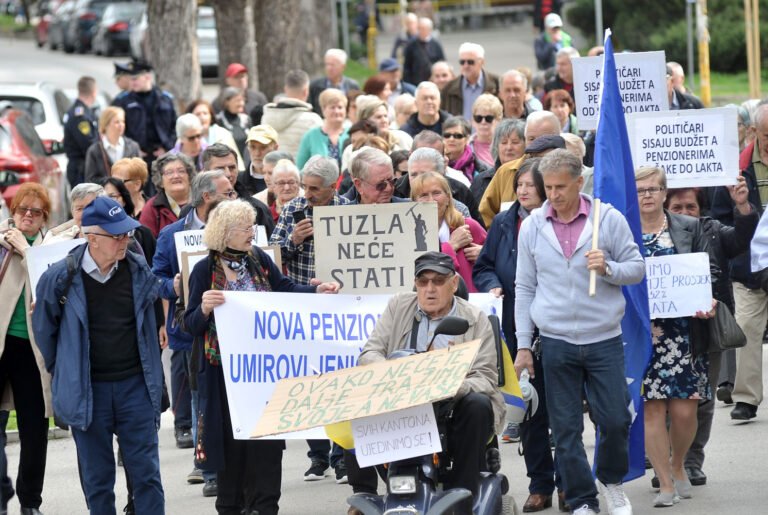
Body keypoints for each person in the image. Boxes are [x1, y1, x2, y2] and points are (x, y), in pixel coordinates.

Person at [184, 199, 339, 515]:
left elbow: (284, 290)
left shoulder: (259, 259)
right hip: (224, 376)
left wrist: (316, 291)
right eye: (245, 228)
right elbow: (189, 324)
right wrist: (203, 309)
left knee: (266, 445)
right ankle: (232, 505)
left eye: (252, 226)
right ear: (225, 232)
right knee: (232, 446)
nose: (251, 233)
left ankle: (266, 506)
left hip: (263, 374)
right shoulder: (204, 270)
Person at [514, 149, 644, 515]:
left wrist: (609, 269)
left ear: (579, 182)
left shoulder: (608, 219)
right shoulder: (533, 226)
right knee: (565, 430)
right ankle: (583, 499)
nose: (553, 194)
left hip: (604, 338)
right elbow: (524, 287)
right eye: (548, 187)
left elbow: (636, 268)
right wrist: (523, 345)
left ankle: (612, 482)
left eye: (561, 187)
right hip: (555, 340)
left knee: (616, 419)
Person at [33, 197, 165, 515]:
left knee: (147, 475)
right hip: (89, 392)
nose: (125, 240)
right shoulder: (59, 277)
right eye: (116, 235)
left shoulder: (138, 269)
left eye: (127, 233)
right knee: (98, 481)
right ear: (92, 238)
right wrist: (67, 372)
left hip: (136, 387)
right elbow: (45, 334)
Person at [347, 251, 505, 509]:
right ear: (415, 284)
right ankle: (371, 492)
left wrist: (454, 386)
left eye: (438, 281)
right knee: (353, 406)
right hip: (403, 397)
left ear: (453, 283)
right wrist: (390, 371)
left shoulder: (474, 318)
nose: (430, 289)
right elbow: (370, 352)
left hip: (452, 404)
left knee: (477, 404)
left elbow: (485, 377)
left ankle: (463, 498)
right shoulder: (399, 306)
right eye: (423, 282)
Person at [473, 158, 566, 512]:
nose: (523, 191)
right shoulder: (503, 221)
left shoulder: (556, 220)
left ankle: (569, 484)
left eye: (530, 185)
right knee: (529, 410)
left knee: (563, 410)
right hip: (516, 328)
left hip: (555, 326)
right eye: (520, 185)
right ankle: (540, 485)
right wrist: (493, 284)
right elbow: (484, 265)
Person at [664, 180, 757, 488]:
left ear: (701, 209)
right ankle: (667, 463)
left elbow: (742, 240)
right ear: (666, 208)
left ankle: (691, 462)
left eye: (691, 206)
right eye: (677, 207)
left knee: (701, 400)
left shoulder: (713, 230)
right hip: (665, 331)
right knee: (665, 400)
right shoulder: (655, 234)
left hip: (707, 328)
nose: (685, 212)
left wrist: (742, 205)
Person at [634, 166, 718, 507]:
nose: (647, 195)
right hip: (643, 334)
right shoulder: (622, 230)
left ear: (664, 192)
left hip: (684, 331)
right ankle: (665, 482)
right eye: (640, 190)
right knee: (652, 409)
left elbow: (709, 270)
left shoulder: (688, 227)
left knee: (685, 412)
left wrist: (709, 299)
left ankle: (678, 462)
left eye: (653, 189)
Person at [152, 169, 233, 491]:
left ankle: (237, 468)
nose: (233, 197)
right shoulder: (173, 234)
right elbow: (154, 279)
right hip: (194, 334)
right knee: (203, 401)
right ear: (207, 197)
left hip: (237, 332)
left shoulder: (240, 228)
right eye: (227, 193)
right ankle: (210, 472)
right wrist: (173, 285)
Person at [709, 103, 768, 421]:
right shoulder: (735, 169)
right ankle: (746, 397)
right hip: (749, 268)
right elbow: (720, 217)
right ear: (754, 132)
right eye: (767, 135)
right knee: (746, 329)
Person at [0, 184, 52, 515]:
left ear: (44, 218)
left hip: (33, 350)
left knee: (34, 429)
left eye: (36, 212)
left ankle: (30, 501)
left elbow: (48, 288)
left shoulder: (50, 249)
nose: (28, 216)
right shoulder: (1, 245)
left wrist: (27, 250)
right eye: (23, 210)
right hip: (2, 345)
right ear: (13, 211)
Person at [479, 110, 561, 227]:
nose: (537, 144)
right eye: (531, 139)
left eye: (543, 138)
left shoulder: (567, 172)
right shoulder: (506, 172)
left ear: (557, 138)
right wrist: (501, 235)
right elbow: (486, 212)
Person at [411, 172, 485, 291]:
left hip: (469, 299)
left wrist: (484, 254)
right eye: (424, 195)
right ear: (414, 202)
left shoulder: (468, 226)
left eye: (436, 193)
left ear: (448, 197)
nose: (431, 200)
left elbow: (497, 262)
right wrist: (450, 246)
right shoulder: (409, 235)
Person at [112, 60, 177, 174]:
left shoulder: (165, 99)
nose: (132, 82)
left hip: (163, 156)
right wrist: (133, 149)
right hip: (135, 157)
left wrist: (167, 148)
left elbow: (174, 127)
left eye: (135, 79)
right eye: (131, 79)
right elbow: (118, 130)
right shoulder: (122, 101)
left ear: (147, 77)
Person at [202, 144, 275, 239]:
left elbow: (272, 245)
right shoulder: (193, 211)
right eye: (220, 169)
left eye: (232, 168)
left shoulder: (259, 209)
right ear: (205, 172)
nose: (228, 174)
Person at [261, 70, 323, 159]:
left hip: (272, 166)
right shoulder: (313, 121)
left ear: (285, 89)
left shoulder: (266, 118)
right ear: (306, 91)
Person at [471, 119, 527, 205]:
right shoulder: (482, 180)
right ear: (496, 146)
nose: (509, 147)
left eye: (515, 142)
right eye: (504, 142)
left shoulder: (532, 177)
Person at [140, 153, 195, 238]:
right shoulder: (152, 208)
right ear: (160, 181)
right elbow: (146, 242)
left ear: (189, 176)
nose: (176, 176)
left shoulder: (202, 201)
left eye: (181, 171)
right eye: (169, 172)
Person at [441, 43, 500, 121]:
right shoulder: (449, 88)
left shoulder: (497, 84)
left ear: (482, 62)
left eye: (470, 62)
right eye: (462, 62)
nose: (466, 66)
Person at [84, 106, 141, 184]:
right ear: (106, 125)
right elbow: (90, 180)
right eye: (117, 122)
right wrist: (110, 182)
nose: (121, 125)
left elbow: (141, 175)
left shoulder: (133, 147)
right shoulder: (94, 151)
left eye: (123, 121)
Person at [296, 89, 349, 169]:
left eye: (340, 107)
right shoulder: (311, 136)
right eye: (332, 107)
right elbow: (300, 167)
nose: (337, 111)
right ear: (323, 109)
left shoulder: (351, 133)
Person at [186, 100, 245, 171]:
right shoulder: (185, 137)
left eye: (205, 113)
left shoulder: (223, 134)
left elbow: (237, 161)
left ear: (211, 116)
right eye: (198, 114)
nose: (202, 117)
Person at [63, 76, 99, 187]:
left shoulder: (83, 111)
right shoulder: (80, 115)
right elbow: (88, 143)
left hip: (84, 166)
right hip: (81, 169)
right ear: (94, 92)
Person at [308, 49, 361, 115]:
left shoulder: (352, 86)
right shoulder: (315, 86)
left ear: (343, 67)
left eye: (332, 65)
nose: (329, 68)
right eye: (327, 64)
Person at [443, 116, 492, 184]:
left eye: (458, 136)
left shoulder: (481, 169)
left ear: (467, 139)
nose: (451, 139)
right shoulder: (436, 163)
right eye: (447, 135)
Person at [236, 125, 278, 197]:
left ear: (275, 148)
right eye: (252, 147)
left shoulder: (286, 179)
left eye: (263, 147)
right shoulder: (237, 180)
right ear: (248, 148)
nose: (257, 153)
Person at [402, 17, 445, 86]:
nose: (421, 31)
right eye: (419, 28)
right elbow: (407, 66)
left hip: (433, 82)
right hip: (416, 82)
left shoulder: (436, 44)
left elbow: (442, 62)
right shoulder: (411, 45)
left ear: (429, 30)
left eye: (423, 29)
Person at [257, 159, 302, 223]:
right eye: (281, 183)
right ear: (274, 187)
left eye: (291, 182)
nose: (287, 188)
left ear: (298, 184)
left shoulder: (308, 210)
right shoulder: (265, 215)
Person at [215, 88, 252, 164]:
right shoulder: (218, 121)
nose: (241, 103)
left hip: (247, 163)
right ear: (226, 102)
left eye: (243, 100)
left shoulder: (246, 120)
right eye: (238, 101)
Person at [470, 94, 503, 166]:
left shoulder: (506, 147)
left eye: (489, 118)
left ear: (498, 120)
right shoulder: (465, 147)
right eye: (478, 118)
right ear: (472, 121)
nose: (483, 122)